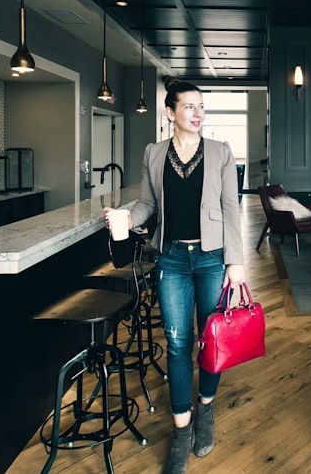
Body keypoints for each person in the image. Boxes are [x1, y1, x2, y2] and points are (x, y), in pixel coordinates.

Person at [105, 77, 244, 474]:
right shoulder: (154, 153)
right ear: (170, 113)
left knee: (211, 341)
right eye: (189, 107)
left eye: (201, 106)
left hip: (213, 258)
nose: (198, 113)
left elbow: (232, 210)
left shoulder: (220, 152)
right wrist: (129, 217)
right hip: (171, 259)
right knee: (179, 344)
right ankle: (182, 431)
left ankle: (206, 409)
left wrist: (235, 261)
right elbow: (149, 203)